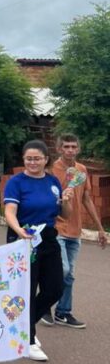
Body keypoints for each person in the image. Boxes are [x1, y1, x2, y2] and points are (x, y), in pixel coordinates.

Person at [3, 139, 68, 362]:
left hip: (48, 237)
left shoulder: (53, 181)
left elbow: (64, 214)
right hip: (23, 238)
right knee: (27, 290)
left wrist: (66, 201)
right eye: (29, 158)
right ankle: (27, 341)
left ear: (45, 159)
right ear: (24, 159)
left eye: (37, 158)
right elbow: (10, 211)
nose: (33, 162)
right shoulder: (16, 182)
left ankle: (26, 325)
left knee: (55, 288)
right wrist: (19, 231)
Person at [42, 134, 107, 329]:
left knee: (69, 275)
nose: (70, 150)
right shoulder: (51, 170)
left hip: (75, 229)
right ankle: (44, 305)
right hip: (56, 227)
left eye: (73, 147)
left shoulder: (81, 170)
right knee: (63, 269)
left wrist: (100, 229)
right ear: (59, 149)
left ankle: (63, 312)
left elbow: (86, 199)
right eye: (66, 146)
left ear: (78, 149)